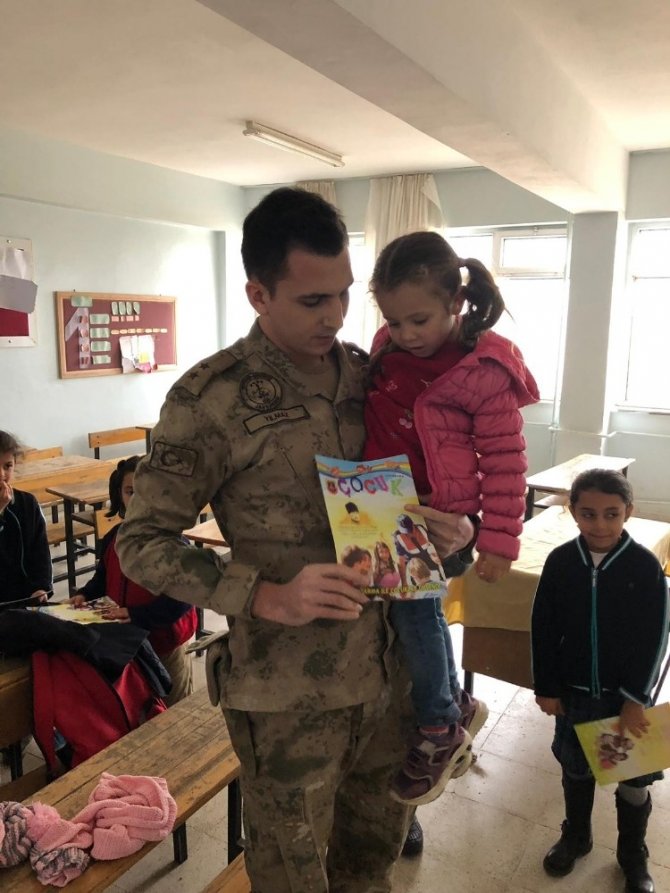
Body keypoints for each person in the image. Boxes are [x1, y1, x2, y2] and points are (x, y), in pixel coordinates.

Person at [116, 187, 476, 892]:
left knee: (370, 868)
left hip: (391, 681)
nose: (336, 316)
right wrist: (265, 594)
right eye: (313, 301)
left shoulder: (376, 378)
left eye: (344, 295)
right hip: (289, 702)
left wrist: (457, 534)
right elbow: (141, 543)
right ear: (258, 292)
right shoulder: (210, 399)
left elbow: (430, 499)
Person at [363, 230, 539, 805]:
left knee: (416, 618)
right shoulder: (387, 345)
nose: (405, 334)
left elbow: (507, 464)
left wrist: (497, 543)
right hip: (383, 508)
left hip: (441, 519)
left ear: (454, 304)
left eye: (419, 320)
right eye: (394, 320)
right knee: (419, 615)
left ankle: (439, 727)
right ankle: (456, 703)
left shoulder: (483, 370)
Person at [532, 469, 668, 892]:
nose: (600, 525)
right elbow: (542, 625)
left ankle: (632, 854)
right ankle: (576, 836)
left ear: (629, 511)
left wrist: (635, 697)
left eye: (612, 514)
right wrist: (547, 686)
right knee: (576, 769)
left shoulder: (644, 567)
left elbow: (656, 635)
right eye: (588, 514)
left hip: (624, 701)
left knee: (631, 780)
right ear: (572, 511)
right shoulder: (560, 562)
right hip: (574, 695)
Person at [70, 456, 196, 706]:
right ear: (120, 496)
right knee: (138, 708)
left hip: (165, 646)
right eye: (130, 492)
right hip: (126, 645)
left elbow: (184, 597)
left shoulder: (172, 544)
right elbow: (103, 578)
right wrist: (85, 594)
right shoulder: (113, 539)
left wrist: (139, 615)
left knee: (175, 711)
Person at [0, 431, 52, 604]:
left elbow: (41, 553)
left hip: (26, 601)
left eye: (7, 466)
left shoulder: (27, 503)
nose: (2, 474)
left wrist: (41, 587)